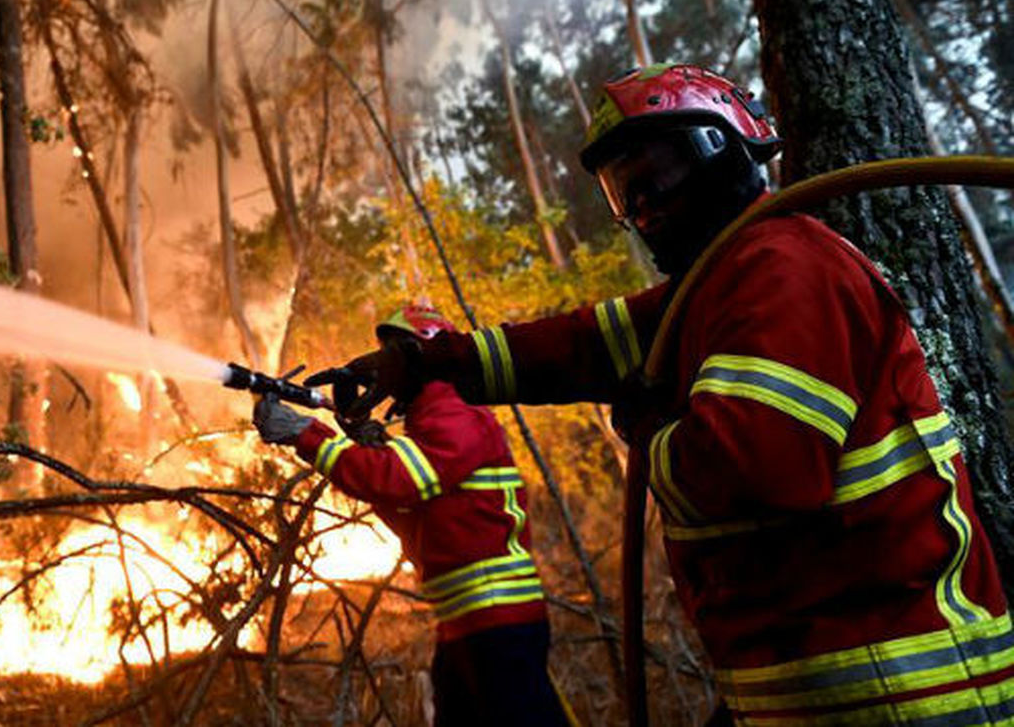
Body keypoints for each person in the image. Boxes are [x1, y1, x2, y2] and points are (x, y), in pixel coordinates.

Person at [317, 64, 1014, 724]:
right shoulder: (711, 288)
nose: (644, 203)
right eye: (626, 190)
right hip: (808, 681)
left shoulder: (783, 268)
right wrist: (423, 362)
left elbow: (756, 468)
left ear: (724, 148)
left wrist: (648, 427)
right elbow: (578, 347)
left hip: (899, 689)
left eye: (657, 173)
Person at [252, 303, 571, 727]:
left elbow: (395, 481)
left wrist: (305, 434)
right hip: (465, 624)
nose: (382, 366)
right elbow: (410, 513)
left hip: (497, 621)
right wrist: (365, 441)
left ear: (421, 354)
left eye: (391, 353)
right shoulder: (430, 422)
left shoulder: (456, 412)